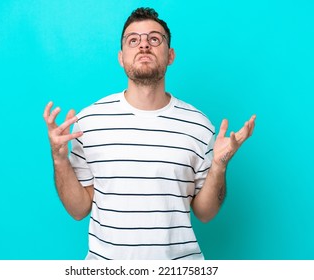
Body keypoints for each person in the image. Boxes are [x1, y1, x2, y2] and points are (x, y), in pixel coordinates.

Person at [43, 7, 256, 260]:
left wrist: (220, 166)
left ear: (170, 55)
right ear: (121, 57)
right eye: (133, 40)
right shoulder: (89, 122)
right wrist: (59, 159)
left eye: (154, 39)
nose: (144, 45)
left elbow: (206, 213)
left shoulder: (199, 126)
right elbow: (78, 209)